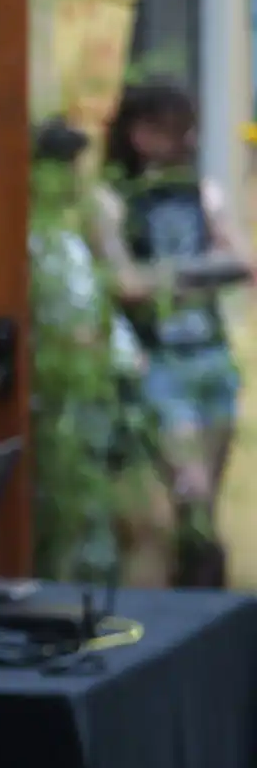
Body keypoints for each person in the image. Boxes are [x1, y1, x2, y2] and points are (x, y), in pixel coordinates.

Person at [91, 82, 253, 586]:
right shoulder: (112, 199)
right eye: (175, 131)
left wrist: (176, 276)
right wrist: (201, 272)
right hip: (160, 363)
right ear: (141, 134)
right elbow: (124, 283)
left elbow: (244, 259)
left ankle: (207, 606)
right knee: (189, 491)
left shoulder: (200, 191)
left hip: (210, 356)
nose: (187, 142)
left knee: (203, 512)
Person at [26, 118, 173, 584]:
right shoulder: (34, 240)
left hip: (110, 387)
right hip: (83, 397)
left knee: (148, 524)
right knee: (132, 525)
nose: (78, 178)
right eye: (70, 167)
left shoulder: (68, 233)